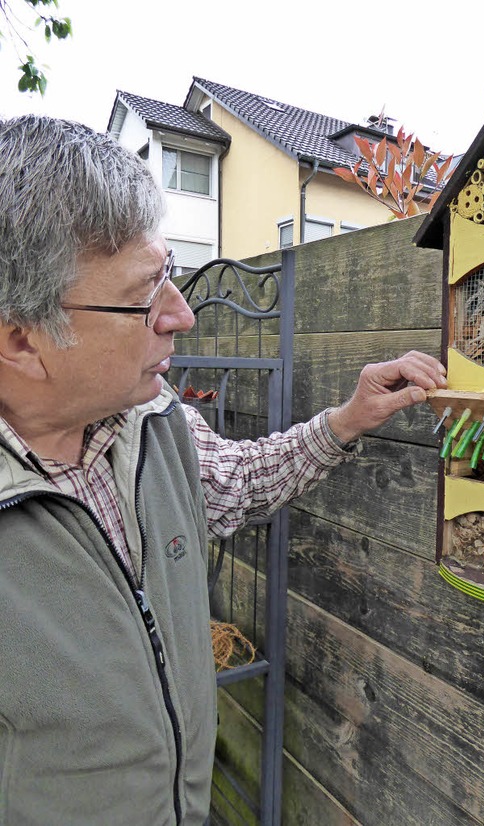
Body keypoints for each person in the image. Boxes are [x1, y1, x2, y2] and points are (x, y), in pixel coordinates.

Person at [0, 114, 447, 826]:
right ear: (23, 340)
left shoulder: (152, 420)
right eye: (146, 295)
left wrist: (347, 420)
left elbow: (236, 483)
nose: (181, 316)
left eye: (170, 275)